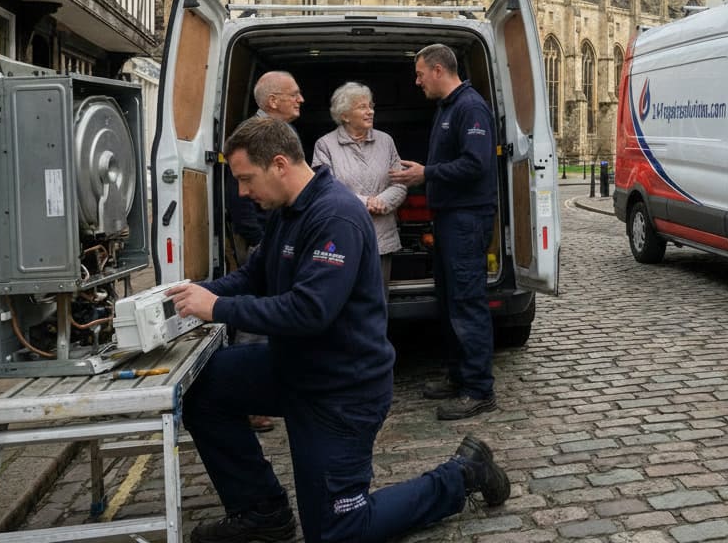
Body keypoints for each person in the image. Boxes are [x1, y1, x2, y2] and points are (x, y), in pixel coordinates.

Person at [168, 117, 510, 543]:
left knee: (336, 533)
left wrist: (216, 308)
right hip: (296, 367)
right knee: (204, 387)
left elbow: (310, 312)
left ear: (278, 165)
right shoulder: (285, 211)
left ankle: (461, 475)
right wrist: (186, 296)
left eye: (245, 179)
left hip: (343, 389)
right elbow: (251, 278)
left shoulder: (336, 216)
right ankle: (261, 511)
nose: (242, 192)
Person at [389, 44, 499, 421]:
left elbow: (475, 163)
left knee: (468, 303)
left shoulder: (470, 107)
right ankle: (458, 376)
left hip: (467, 220)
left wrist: (426, 173)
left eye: (420, 74)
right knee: (451, 300)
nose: (417, 81)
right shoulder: (448, 108)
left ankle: (479, 389)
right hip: (450, 219)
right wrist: (425, 171)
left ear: (438, 70)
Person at [223, 69, 304, 434]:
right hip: (261, 236)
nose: (300, 100)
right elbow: (238, 198)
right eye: (294, 94)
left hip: (274, 233)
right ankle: (251, 399)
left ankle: (264, 390)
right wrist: (257, 238)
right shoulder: (252, 137)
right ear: (272, 101)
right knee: (256, 308)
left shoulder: (281, 135)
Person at [311, 82, 406, 289]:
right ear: (345, 115)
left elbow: (400, 182)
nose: (370, 111)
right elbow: (324, 189)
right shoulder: (325, 145)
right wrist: (365, 202)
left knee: (379, 299)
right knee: (343, 297)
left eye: (371, 106)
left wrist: (382, 201)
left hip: (381, 237)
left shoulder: (386, 141)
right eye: (362, 107)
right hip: (342, 237)